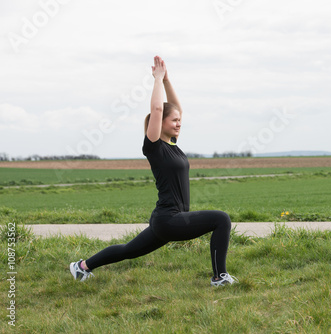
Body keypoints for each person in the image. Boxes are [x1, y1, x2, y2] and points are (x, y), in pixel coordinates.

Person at [70, 55, 237, 286]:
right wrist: (157, 79)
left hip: (167, 219)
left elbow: (175, 108)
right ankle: (220, 277)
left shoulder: (172, 145)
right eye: (174, 120)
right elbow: (158, 108)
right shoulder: (154, 147)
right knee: (221, 219)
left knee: (128, 250)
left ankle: (81, 267)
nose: (179, 123)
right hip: (169, 219)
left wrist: (168, 79)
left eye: (179, 120)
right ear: (159, 123)